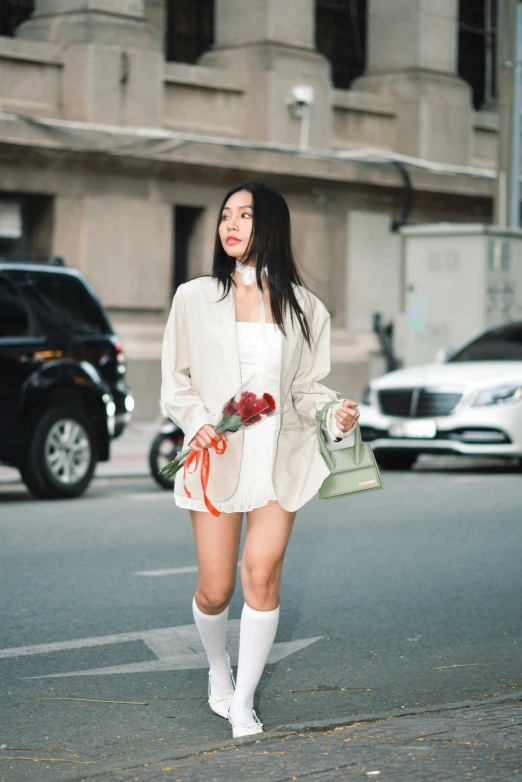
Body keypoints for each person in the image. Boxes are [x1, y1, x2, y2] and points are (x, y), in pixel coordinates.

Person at [161, 181, 359, 738]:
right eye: (225, 214)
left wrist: (334, 415)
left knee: (262, 575)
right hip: (217, 450)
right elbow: (175, 379)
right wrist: (198, 422)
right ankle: (218, 671)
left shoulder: (305, 308)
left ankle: (243, 702)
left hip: (280, 454)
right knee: (216, 588)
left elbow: (306, 388)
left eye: (244, 216)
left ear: (269, 224)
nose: (231, 224)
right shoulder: (194, 297)